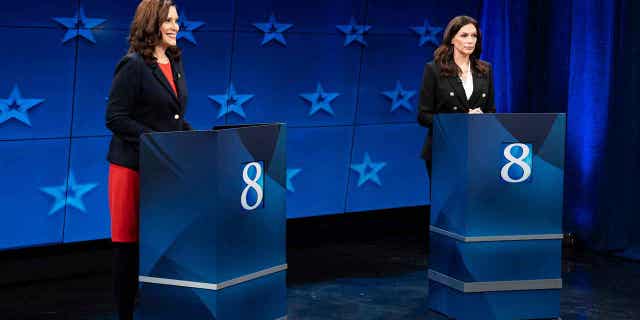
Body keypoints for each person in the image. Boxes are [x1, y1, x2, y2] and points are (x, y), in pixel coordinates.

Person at [105, 0, 192, 318]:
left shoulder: (175, 60)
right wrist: (153, 142)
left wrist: (197, 139)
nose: (174, 27)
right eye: (168, 20)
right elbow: (115, 117)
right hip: (132, 169)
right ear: (151, 23)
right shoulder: (133, 65)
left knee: (161, 244)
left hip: (163, 169)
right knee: (128, 249)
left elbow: (174, 116)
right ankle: (125, 314)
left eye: (176, 21)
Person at [417, 15, 495, 248]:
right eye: (464, 35)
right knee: (449, 210)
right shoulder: (434, 70)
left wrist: (483, 118)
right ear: (452, 38)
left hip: (475, 152)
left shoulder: (485, 70)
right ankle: (446, 258)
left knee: (472, 208)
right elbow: (423, 115)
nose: (470, 40)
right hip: (444, 152)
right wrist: (461, 120)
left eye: (474, 36)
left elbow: (491, 111)